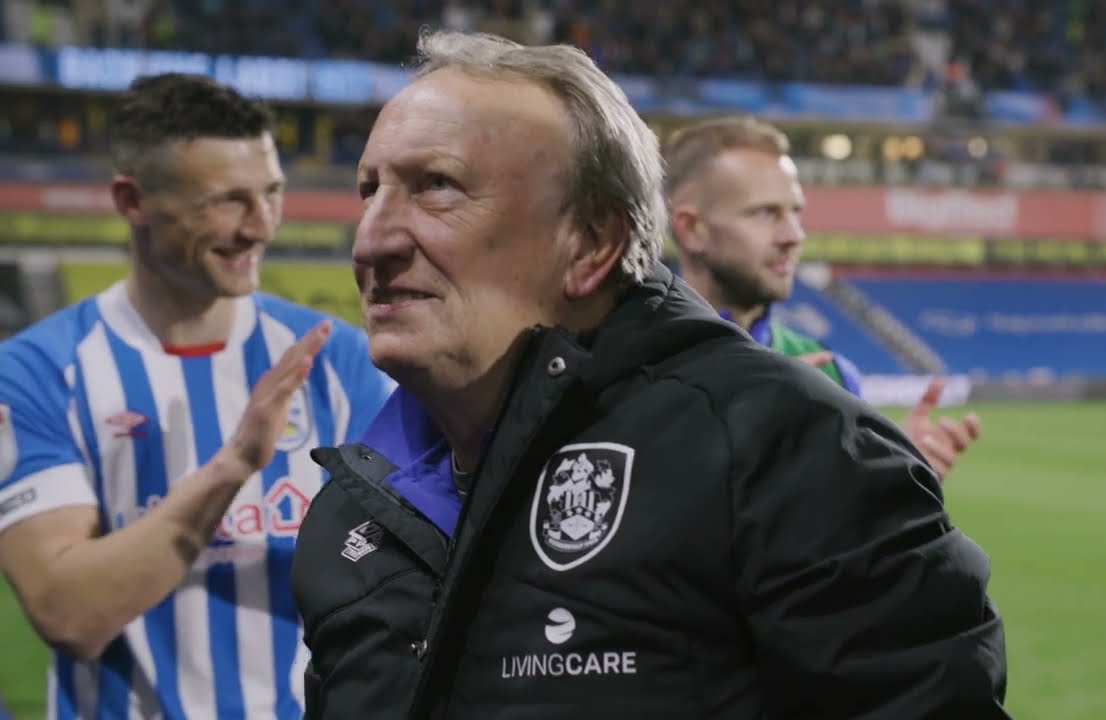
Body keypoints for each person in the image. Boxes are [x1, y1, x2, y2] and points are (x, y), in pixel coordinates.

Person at [291, 29, 1009, 719]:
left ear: (590, 243)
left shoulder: (784, 453)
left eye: (437, 187)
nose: (371, 240)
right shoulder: (350, 513)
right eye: (369, 191)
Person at [0, 73, 390, 719]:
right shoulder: (37, 374)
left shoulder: (339, 361)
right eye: (228, 201)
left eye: (272, 192)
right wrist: (233, 466)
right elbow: (70, 615)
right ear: (132, 200)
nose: (260, 226)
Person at [664, 115, 982, 479]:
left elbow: (844, 514)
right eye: (764, 213)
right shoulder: (632, 365)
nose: (793, 235)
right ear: (691, 229)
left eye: (795, 212)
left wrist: (895, 475)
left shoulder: (831, 375)